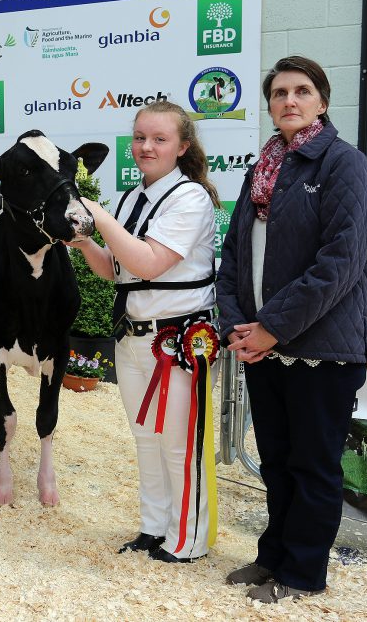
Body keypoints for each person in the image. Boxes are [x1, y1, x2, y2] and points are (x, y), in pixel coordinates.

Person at [217, 56, 367, 604]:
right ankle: (272, 558)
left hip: (320, 351)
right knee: (279, 463)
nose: (289, 100)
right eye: (280, 92)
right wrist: (238, 326)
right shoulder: (262, 167)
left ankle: (304, 574)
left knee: (312, 466)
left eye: (302, 91)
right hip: (263, 347)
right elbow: (236, 255)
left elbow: (340, 263)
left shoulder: (343, 164)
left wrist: (272, 328)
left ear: (322, 101)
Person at [68, 100, 219, 563]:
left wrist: (97, 212)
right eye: (140, 138)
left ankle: (190, 538)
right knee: (146, 438)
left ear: (182, 146)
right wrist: (84, 240)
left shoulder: (190, 197)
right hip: (133, 335)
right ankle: (154, 528)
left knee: (178, 443)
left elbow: (151, 262)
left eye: (159, 139)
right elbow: (117, 270)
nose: (146, 147)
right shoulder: (133, 198)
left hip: (178, 341)